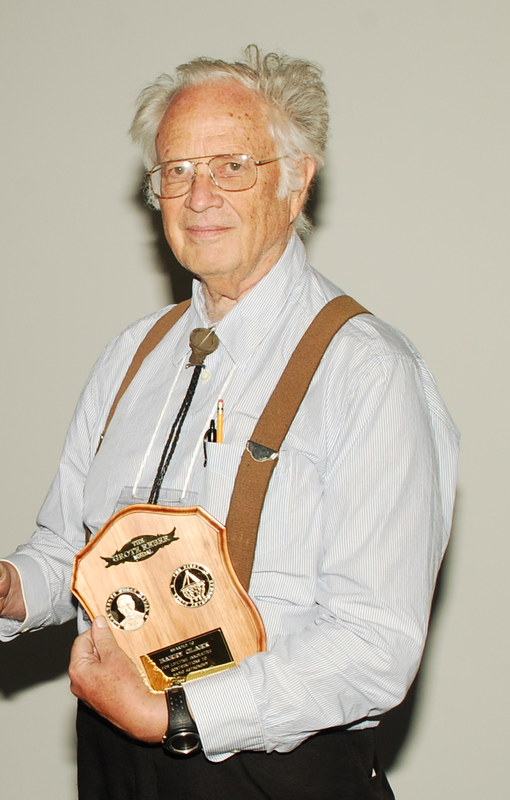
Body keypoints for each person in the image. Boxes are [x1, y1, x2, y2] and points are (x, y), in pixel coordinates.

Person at [0, 46, 459, 799]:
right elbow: (72, 549)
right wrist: (13, 587)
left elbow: (374, 645)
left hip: (270, 772)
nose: (199, 194)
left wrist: (177, 714)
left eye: (232, 165)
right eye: (175, 170)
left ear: (296, 179)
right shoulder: (130, 355)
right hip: (116, 760)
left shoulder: (371, 372)